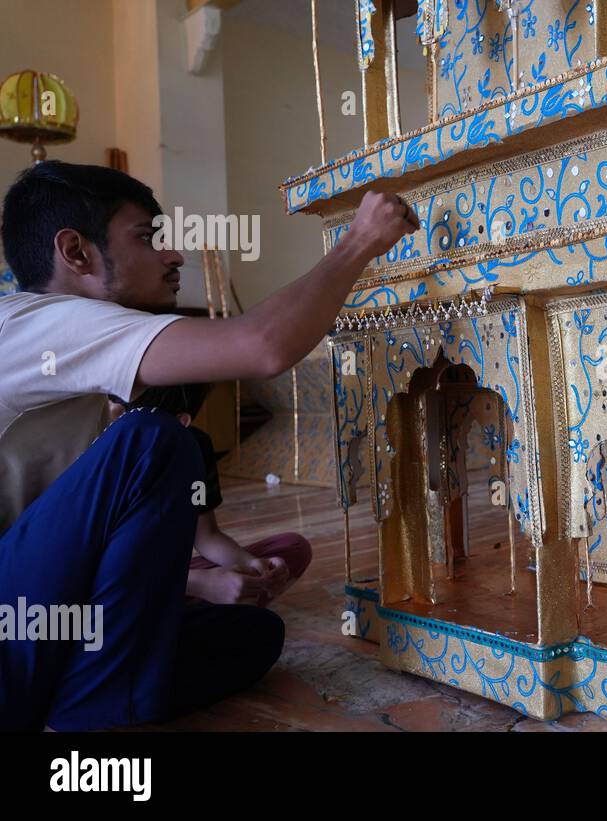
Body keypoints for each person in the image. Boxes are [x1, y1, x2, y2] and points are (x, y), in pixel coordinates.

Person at [0, 160, 417, 731]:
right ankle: (84, 729)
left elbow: (89, 551)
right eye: (148, 239)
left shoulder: (75, 364)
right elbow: (263, 346)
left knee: (250, 636)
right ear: (75, 252)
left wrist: (199, 580)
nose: (173, 256)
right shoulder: (43, 321)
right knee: (152, 444)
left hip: (31, 622)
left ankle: (75, 701)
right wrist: (359, 241)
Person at [122, 383, 312, 607]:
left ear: (182, 422)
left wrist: (254, 565)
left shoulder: (194, 450)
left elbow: (206, 536)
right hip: (124, 585)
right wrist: (198, 584)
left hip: (170, 577)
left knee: (293, 548)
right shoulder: (112, 452)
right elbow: (103, 568)